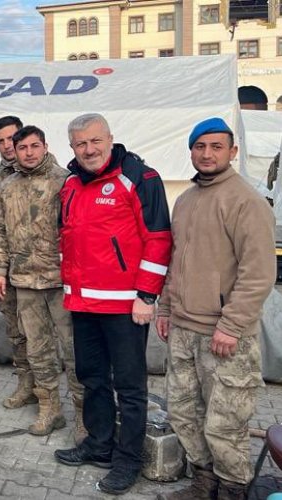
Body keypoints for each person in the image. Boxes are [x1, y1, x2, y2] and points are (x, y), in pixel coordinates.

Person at [156, 118, 276, 500]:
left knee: (225, 422)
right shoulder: (187, 200)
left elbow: (258, 273)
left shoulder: (246, 202)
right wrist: (164, 308)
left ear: (232, 152)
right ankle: (204, 481)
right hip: (183, 328)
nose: (207, 154)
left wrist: (233, 324)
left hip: (225, 335)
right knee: (184, 413)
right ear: (191, 151)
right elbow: (176, 260)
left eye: (216, 146)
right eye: (200, 147)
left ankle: (233, 489)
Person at [53, 113, 172, 495]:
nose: (88, 150)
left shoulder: (139, 177)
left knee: (130, 387)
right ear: (71, 148)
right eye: (80, 144)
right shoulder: (70, 184)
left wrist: (147, 295)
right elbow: (67, 239)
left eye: (94, 141)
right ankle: (99, 446)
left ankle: (128, 460)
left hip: (126, 306)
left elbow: (158, 239)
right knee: (92, 379)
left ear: (110, 139)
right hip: (84, 303)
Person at [0, 125, 86, 441]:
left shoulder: (66, 182)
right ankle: (50, 408)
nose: (29, 153)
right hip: (25, 283)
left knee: (74, 352)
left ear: (45, 146)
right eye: (22, 148)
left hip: (61, 284)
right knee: (38, 350)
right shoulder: (7, 187)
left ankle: (85, 416)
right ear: (14, 152)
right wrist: (0, 271)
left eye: (34, 146)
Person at [0, 115, 37, 409]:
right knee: (16, 332)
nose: (8, 146)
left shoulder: (54, 175)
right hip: (10, 272)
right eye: (1, 141)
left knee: (44, 336)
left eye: (12, 138)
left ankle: (51, 392)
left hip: (44, 274)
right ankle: (26, 384)